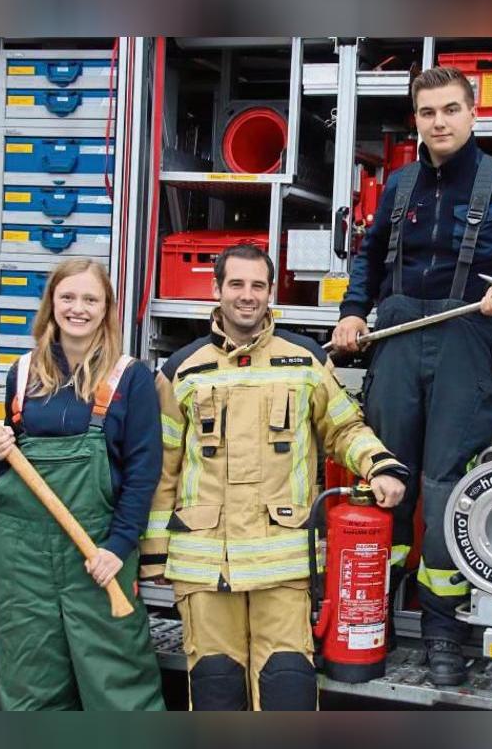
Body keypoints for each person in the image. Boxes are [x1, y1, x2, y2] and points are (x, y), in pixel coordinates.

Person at [330, 66, 492, 685]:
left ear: (472, 114)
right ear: (416, 120)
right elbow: (369, 257)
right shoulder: (400, 185)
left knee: (447, 487)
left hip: (466, 340)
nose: (440, 122)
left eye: (451, 110)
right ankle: (366, 614)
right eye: (428, 112)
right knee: (385, 478)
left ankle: (443, 633)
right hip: (397, 341)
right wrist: (354, 312)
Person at [140, 243, 408, 711]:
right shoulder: (182, 369)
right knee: (215, 686)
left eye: (258, 286)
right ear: (217, 290)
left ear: (271, 293)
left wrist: (378, 465)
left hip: (282, 563)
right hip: (206, 568)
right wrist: (154, 555)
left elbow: (343, 428)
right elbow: (163, 468)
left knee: (287, 687)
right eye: (237, 284)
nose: (248, 296)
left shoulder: (304, 360)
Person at [0, 258, 165, 711]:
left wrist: (118, 546)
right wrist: (0, 445)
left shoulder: (130, 377)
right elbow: (14, 466)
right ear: (51, 304)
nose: (77, 308)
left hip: (97, 553)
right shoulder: (22, 373)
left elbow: (143, 474)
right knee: (31, 682)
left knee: (118, 684)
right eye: (67, 297)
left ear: (106, 310)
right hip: (23, 556)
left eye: (90, 299)